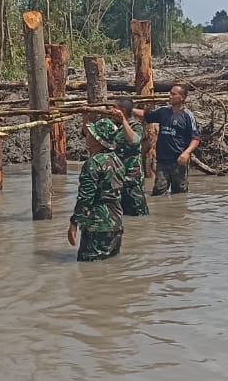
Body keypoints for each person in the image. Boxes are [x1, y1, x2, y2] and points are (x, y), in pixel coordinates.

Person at [68, 117, 126, 261]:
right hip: (116, 225)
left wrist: (74, 223)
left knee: (88, 271)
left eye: (90, 134)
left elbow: (85, 198)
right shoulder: (117, 161)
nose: (86, 136)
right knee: (110, 271)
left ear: (97, 140)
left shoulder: (93, 164)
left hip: (97, 226)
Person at [132, 83, 201, 196]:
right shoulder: (163, 111)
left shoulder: (188, 116)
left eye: (173, 94)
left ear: (182, 97)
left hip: (178, 161)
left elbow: (195, 139)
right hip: (162, 161)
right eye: (170, 93)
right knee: (158, 192)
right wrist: (129, 110)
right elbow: (146, 115)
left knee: (179, 195)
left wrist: (186, 153)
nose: (170, 96)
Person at [109, 98, 149, 217]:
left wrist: (123, 121)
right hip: (115, 176)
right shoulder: (112, 126)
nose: (111, 110)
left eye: (114, 107)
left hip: (132, 178)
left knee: (137, 213)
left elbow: (134, 140)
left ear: (123, 111)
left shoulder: (136, 126)